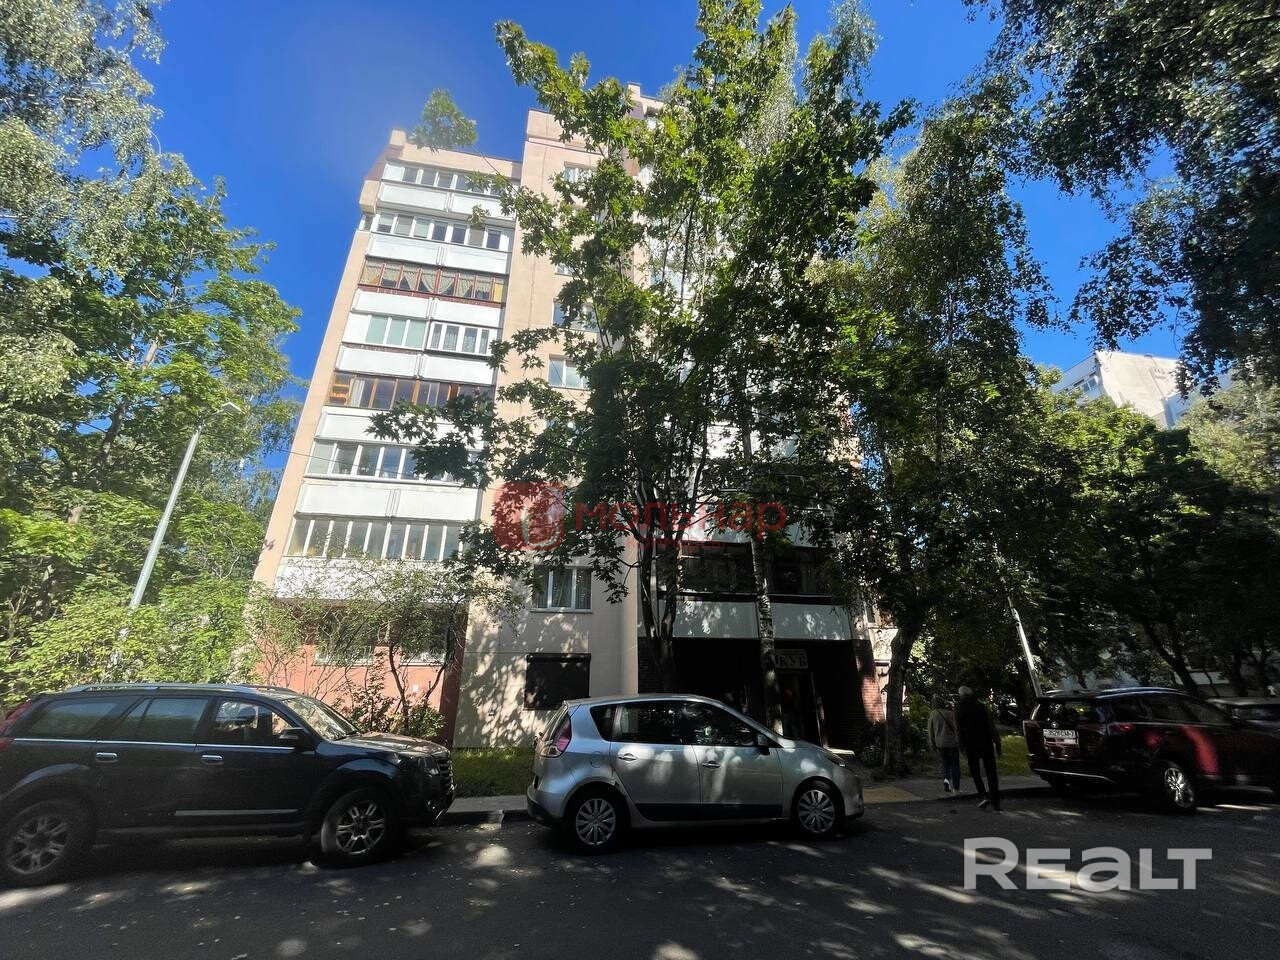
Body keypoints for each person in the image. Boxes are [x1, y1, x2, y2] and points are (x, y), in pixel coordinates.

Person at [955, 685, 1002, 811]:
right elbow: (990, 725)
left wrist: (960, 745)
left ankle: (983, 795)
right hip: (985, 741)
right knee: (991, 772)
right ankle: (996, 802)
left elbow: (958, 728)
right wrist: (997, 743)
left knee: (975, 771)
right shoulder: (981, 706)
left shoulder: (958, 707)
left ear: (960, 695)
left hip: (970, 743)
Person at [927, 694, 961, 794]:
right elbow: (956, 728)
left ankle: (946, 781)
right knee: (955, 765)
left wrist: (932, 743)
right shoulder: (950, 713)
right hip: (952, 742)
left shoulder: (933, 714)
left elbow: (930, 731)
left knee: (945, 763)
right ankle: (956, 788)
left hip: (940, 743)